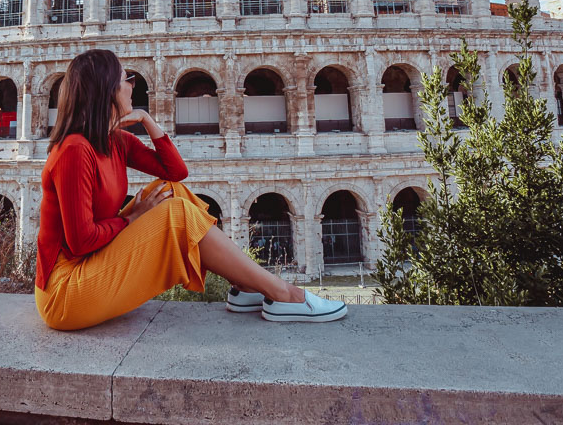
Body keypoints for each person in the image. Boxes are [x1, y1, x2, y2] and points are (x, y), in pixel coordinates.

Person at [35, 48, 346, 330]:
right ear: (107, 91)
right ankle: (284, 293)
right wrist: (132, 219)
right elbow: (79, 242)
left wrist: (147, 120)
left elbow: (176, 172)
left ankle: (247, 286)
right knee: (177, 213)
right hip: (65, 292)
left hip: (91, 265)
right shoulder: (75, 150)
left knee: (172, 191)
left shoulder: (113, 140)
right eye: (125, 79)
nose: (132, 84)